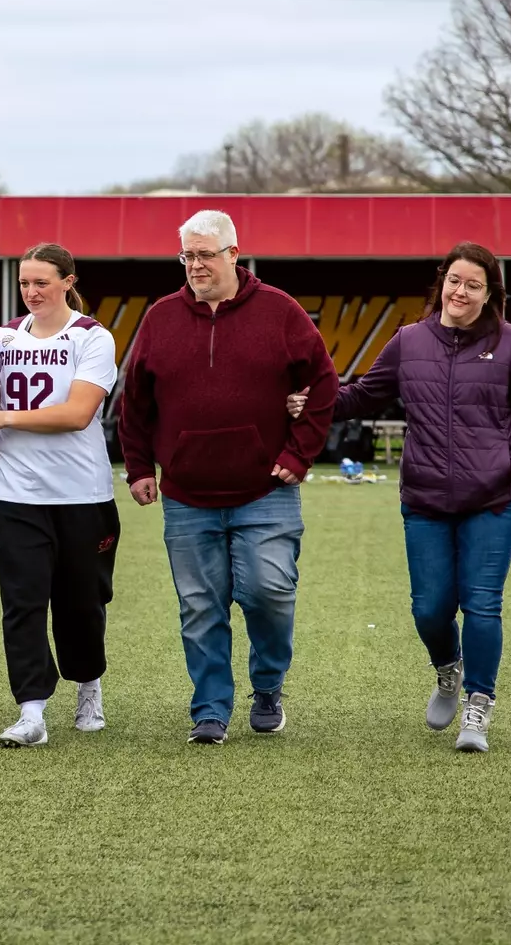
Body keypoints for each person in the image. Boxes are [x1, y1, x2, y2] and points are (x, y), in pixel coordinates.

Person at [293, 242, 511, 753]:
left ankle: (479, 705)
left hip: (495, 500)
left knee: (482, 604)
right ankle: (448, 672)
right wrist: (311, 403)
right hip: (426, 497)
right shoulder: (410, 340)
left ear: (489, 293)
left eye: (473, 284)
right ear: (442, 283)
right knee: (430, 609)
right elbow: (365, 394)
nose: (461, 291)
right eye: (455, 280)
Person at [119, 210, 338, 746]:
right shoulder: (161, 317)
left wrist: (300, 453)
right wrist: (140, 467)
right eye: (187, 256)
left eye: (205, 255)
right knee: (200, 606)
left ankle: (267, 687)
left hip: (266, 490)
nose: (195, 265)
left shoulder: (281, 311)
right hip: (187, 495)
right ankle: (210, 710)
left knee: (269, 593)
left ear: (234, 255)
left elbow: (324, 383)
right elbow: (135, 402)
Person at [0, 242, 121, 748]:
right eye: (25, 282)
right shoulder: (0, 336)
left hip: (81, 494)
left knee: (81, 604)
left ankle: (88, 683)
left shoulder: (91, 337)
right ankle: (31, 710)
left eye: (41, 282)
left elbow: (76, 414)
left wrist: (0, 417)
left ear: (68, 281)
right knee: (22, 602)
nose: (31, 292)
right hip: (14, 493)